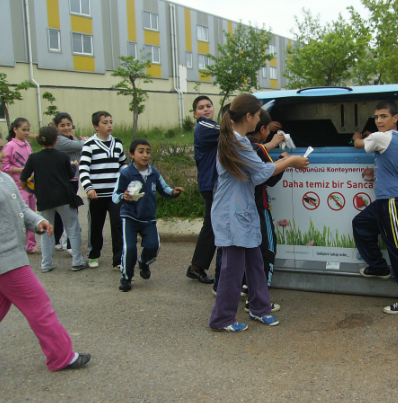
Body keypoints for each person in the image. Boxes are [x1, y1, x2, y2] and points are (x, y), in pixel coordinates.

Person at [0, 131, 90, 378]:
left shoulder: (2, 178)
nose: (4, 154)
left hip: (5, 259)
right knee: (39, 305)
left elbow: (22, 208)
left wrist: (38, 223)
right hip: (1, 260)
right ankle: (61, 356)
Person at [209, 94, 309, 332]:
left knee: (256, 260)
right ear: (248, 116)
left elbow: (255, 175)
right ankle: (221, 319)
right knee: (232, 269)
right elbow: (262, 173)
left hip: (243, 210)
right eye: (257, 115)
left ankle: (259, 308)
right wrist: (292, 160)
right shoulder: (236, 142)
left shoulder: (239, 139)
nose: (260, 120)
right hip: (231, 213)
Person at [351, 100, 398, 314]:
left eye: (383, 116)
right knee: (360, 223)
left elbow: (359, 145)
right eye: (377, 117)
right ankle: (378, 267)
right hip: (388, 199)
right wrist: (377, 172)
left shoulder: (381, 137)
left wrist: (356, 135)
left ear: (395, 118)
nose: (379, 120)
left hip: (391, 200)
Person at [112, 139, 184, 292]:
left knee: (154, 246)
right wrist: (122, 196)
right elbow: (115, 195)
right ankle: (126, 277)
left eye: (148, 151)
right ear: (131, 154)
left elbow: (164, 188)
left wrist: (173, 192)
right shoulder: (126, 173)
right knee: (129, 248)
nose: (145, 155)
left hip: (148, 217)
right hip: (130, 216)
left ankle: (144, 261)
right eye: (141, 151)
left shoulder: (153, 172)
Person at [20, 127, 88, 272]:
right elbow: (70, 175)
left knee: (46, 230)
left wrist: (27, 188)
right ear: (56, 140)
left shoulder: (34, 158)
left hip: (44, 199)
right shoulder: (63, 156)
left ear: (39, 141)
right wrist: (73, 165)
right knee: (72, 228)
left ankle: (46, 263)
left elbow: (23, 177)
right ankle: (77, 261)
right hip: (63, 197)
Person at [241, 110, 286, 312]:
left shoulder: (241, 145)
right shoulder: (258, 148)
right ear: (262, 129)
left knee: (248, 251)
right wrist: (285, 161)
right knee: (267, 250)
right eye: (268, 130)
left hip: (241, 208)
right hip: (259, 207)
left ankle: (246, 287)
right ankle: (259, 299)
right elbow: (270, 178)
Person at [79, 111, 126, 270]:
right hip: (97, 195)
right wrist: (88, 187)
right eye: (105, 122)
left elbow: (123, 165)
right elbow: (84, 168)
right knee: (96, 226)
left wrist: (126, 183)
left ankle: (118, 259)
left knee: (118, 225)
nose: (109, 125)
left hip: (115, 195)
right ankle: (93, 255)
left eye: (111, 122)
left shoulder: (118, 143)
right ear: (96, 126)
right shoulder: (89, 145)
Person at [188, 96, 220, 284]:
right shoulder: (204, 126)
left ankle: (196, 267)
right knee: (214, 227)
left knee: (211, 227)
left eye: (208, 106)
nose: (206, 109)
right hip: (211, 184)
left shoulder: (210, 126)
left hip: (211, 184)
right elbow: (230, 131)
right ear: (195, 114)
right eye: (201, 108)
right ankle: (198, 267)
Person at [52, 113, 87, 254]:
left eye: (68, 124)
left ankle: (57, 241)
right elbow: (80, 145)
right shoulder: (59, 140)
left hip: (73, 178)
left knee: (63, 211)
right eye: (62, 125)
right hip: (64, 179)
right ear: (56, 127)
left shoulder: (70, 138)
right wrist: (86, 140)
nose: (66, 128)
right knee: (70, 210)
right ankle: (68, 243)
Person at [1, 117, 37, 253]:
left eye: (28, 130)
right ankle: (20, 245)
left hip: (30, 185)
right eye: (24, 130)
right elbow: (4, 167)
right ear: (15, 130)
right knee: (21, 215)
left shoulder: (27, 144)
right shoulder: (10, 145)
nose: (26, 132)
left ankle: (30, 246)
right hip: (18, 184)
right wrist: (22, 170)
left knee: (32, 214)